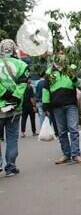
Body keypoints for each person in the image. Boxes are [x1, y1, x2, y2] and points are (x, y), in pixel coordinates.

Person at [42, 65, 81, 165]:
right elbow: (45, 89)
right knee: (61, 131)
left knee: (73, 129)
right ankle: (66, 154)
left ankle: (76, 155)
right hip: (57, 106)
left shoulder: (71, 68)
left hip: (71, 104)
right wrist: (45, 105)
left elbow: (79, 84)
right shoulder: (49, 72)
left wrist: (72, 76)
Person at [0, 39, 29, 177]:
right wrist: (15, 97)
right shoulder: (22, 65)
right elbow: (23, 84)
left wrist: (4, 94)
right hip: (14, 108)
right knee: (12, 138)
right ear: (14, 49)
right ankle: (10, 167)